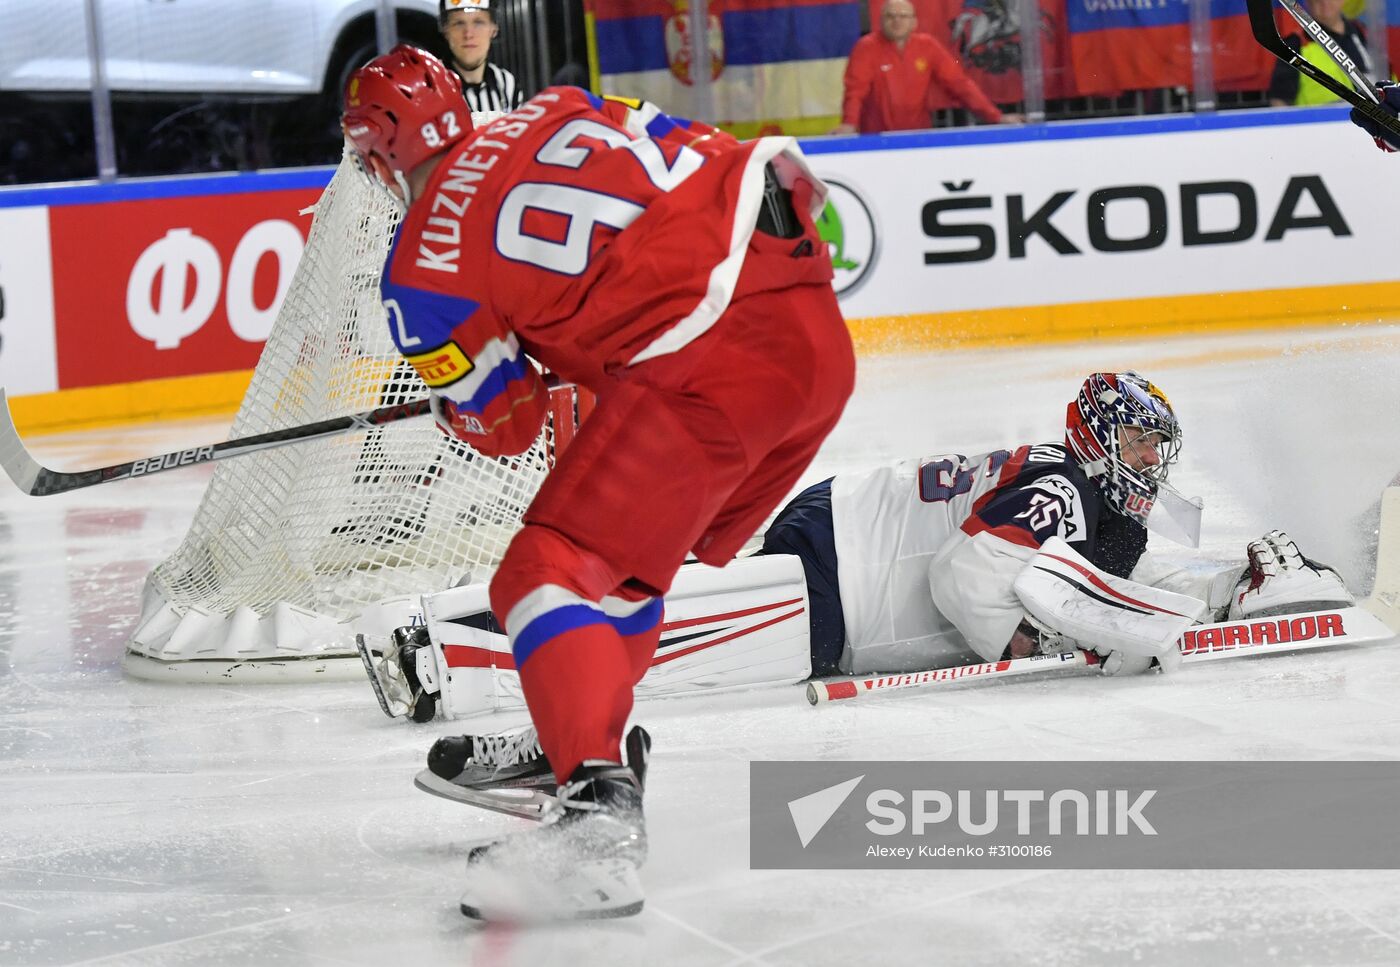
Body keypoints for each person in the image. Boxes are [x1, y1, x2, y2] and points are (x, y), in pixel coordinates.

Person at [341, 46, 855, 920]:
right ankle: (577, 737)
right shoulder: (549, 108)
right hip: (809, 329)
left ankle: (596, 813)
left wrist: (458, 397)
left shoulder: (420, 269)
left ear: (377, 151)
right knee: (625, 562)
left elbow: (506, 426)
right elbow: (690, 173)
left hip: (709, 360)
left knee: (541, 569)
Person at [762, 371, 1354, 677]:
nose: (1152, 458)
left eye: (1157, 445)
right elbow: (963, 576)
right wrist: (1040, 641)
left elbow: (1091, 577)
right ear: (1099, 434)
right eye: (1139, 440)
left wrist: (1228, 589)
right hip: (834, 563)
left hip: (839, 538)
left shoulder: (1086, 497)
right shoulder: (1066, 486)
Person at [832, 0, 1019, 135]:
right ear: (881, 21)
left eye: (903, 16)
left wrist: (996, 117)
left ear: (914, 22)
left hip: (918, 136)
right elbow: (855, 91)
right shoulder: (866, 47)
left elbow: (959, 84)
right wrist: (849, 124)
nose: (897, 21)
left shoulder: (927, 46)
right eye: (890, 16)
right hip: (877, 137)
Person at [1267, 0, 1370, 107]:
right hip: (1318, 121)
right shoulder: (1295, 43)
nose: (1324, 2)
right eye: (1317, 0)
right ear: (1308, 3)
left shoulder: (1362, 32)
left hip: (1369, 118)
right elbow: (1279, 100)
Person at [439, 0, 523, 112]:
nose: (468, 34)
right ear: (446, 31)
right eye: (459, 23)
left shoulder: (507, 84)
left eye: (478, 23)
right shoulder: (428, 84)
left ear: (494, 29)